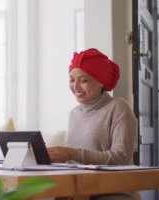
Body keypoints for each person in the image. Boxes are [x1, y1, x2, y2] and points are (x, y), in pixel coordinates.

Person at [47, 48, 140, 200]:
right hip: (79, 189)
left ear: (101, 82)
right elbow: (76, 162)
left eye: (83, 80)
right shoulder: (74, 114)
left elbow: (121, 158)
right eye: (72, 79)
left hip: (113, 191)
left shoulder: (118, 107)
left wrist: (71, 153)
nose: (75, 86)